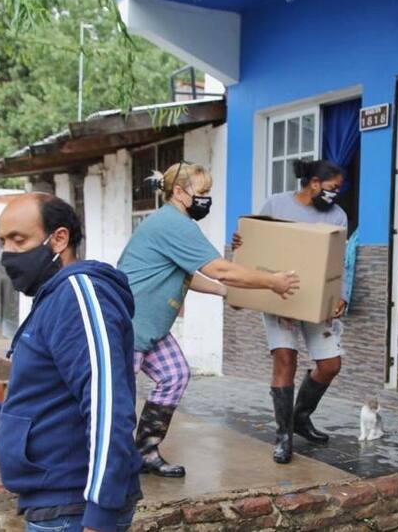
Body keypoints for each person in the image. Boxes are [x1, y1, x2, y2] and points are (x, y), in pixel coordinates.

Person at [0, 194, 142, 532]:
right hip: (54, 506)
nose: (8, 253)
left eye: (19, 239)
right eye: (3, 241)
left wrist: (100, 515)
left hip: (74, 509)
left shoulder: (79, 294)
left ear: (59, 238)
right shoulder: (52, 299)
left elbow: (108, 404)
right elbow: (46, 409)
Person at [118, 161, 300, 478]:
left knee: (174, 375)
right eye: (201, 192)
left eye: (208, 192)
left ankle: (145, 451)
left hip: (151, 327)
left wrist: (225, 293)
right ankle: (107, 466)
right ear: (179, 192)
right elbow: (220, 269)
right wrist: (272, 281)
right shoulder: (173, 224)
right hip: (130, 325)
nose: (206, 199)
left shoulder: (176, 222)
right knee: (117, 401)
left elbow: (190, 275)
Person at [233, 159, 348, 464]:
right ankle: (283, 436)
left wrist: (340, 296)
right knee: (286, 358)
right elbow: (254, 240)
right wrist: (239, 242)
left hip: (315, 298)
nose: (336, 194)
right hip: (279, 295)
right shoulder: (277, 204)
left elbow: (340, 259)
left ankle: (300, 417)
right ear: (314, 183)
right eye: (333, 188)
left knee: (330, 364)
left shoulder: (338, 215)